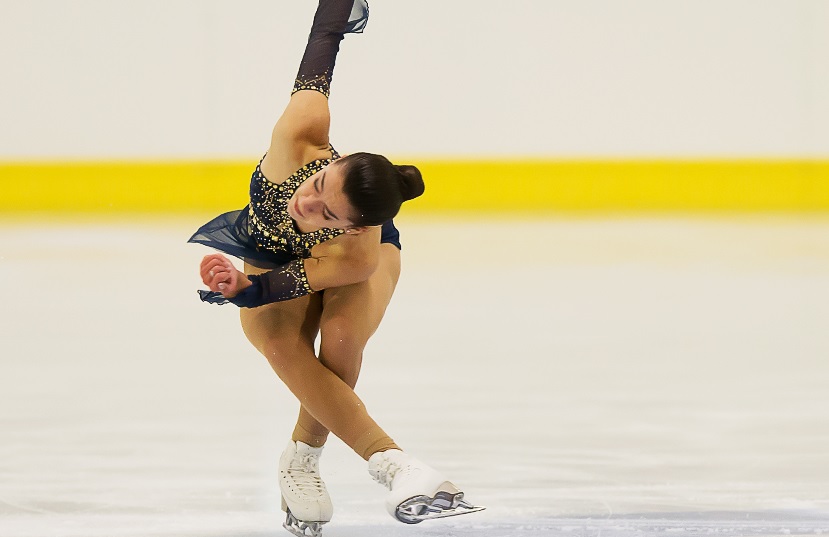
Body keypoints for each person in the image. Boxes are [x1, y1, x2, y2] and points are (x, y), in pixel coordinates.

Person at [188, 1, 483, 536]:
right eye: (319, 186)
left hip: (331, 268)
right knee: (281, 343)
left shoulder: (357, 252)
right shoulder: (303, 131)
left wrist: (250, 289)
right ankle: (392, 462)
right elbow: (323, 44)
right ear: (332, 161)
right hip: (267, 251)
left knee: (341, 337)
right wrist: (241, 283)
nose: (309, 204)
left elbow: (291, 285)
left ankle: (312, 458)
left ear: (350, 227)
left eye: (328, 213)